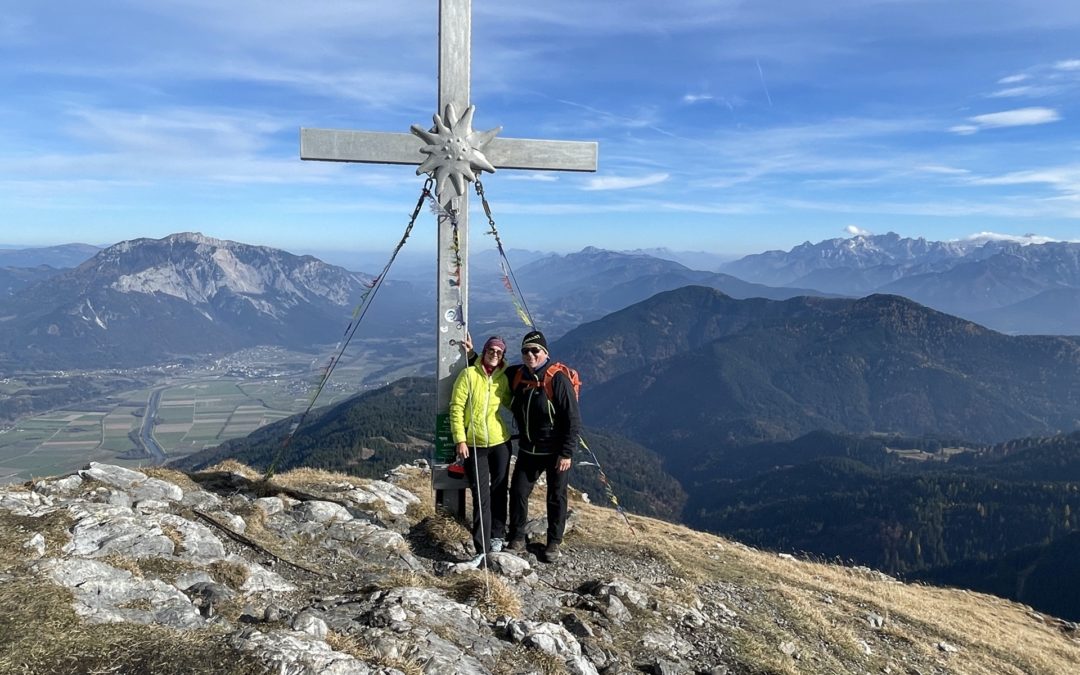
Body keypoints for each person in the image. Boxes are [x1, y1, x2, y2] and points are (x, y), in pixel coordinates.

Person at [505, 330, 581, 563]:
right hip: (529, 449)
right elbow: (492, 367)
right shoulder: (517, 374)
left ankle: (553, 542)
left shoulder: (557, 379)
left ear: (545, 353)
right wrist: (470, 355)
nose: (530, 354)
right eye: (525, 350)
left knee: (556, 496)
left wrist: (567, 452)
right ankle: (517, 537)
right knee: (518, 491)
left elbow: (572, 418)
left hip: (556, 452)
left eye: (535, 350)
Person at [449, 335, 513, 566]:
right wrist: (460, 439)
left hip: (500, 442)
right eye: (491, 350)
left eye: (499, 352)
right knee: (480, 495)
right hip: (474, 445)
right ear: (485, 351)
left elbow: (512, 402)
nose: (494, 354)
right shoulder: (468, 375)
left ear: (502, 356)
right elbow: (455, 408)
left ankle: (497, 535)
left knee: (499, 490)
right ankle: (482, 548)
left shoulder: (502, 379)